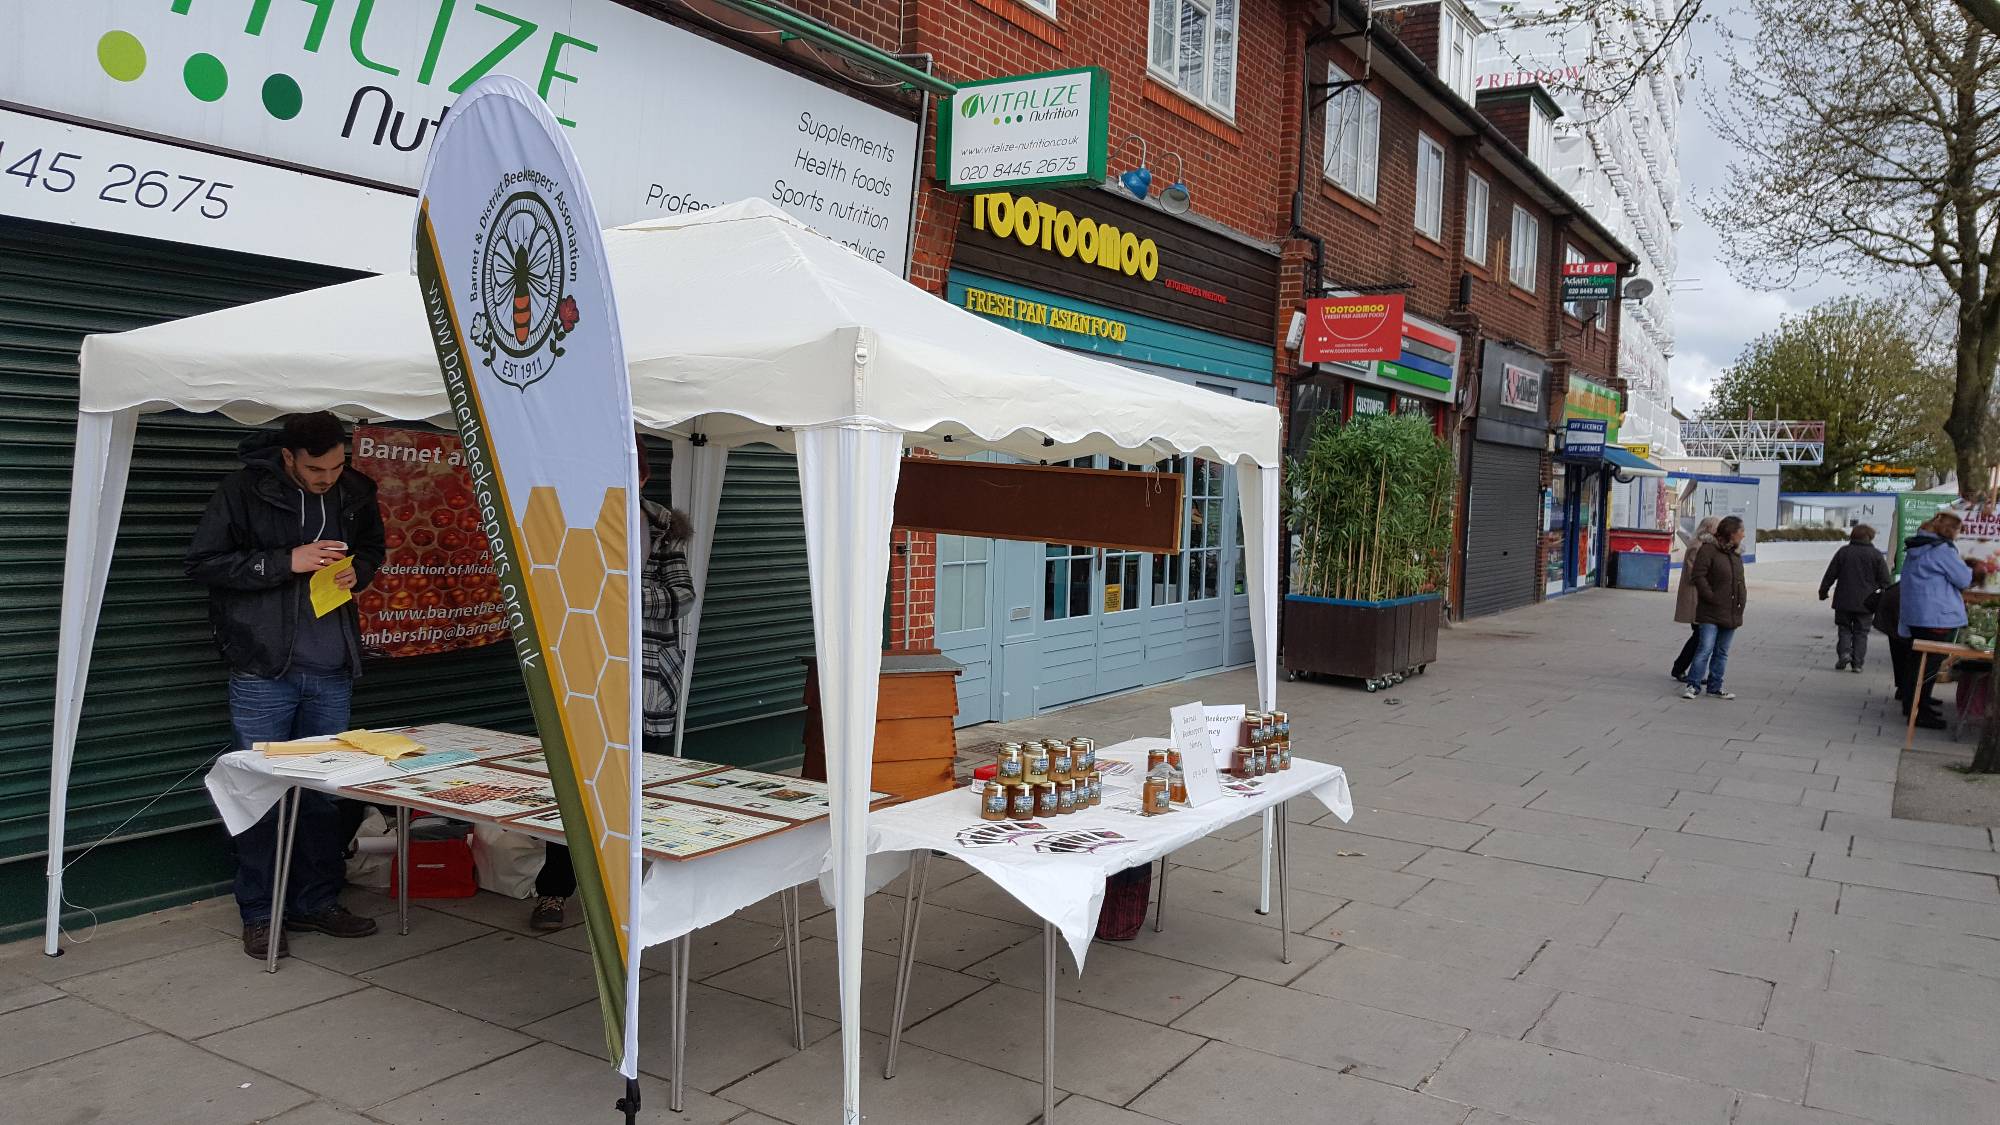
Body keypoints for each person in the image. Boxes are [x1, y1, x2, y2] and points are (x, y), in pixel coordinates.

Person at [186, 412, 386, 959]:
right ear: (288, 457)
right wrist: (285, 562)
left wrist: (360, 572)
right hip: (263, 669)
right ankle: (259, 911)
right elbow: (203, 563)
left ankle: (317, 902)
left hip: (332, 668)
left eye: (337, 466)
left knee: (322, 794)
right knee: (259, 791)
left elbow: (373, 548)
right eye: (316, 469)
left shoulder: (355, 491)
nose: (328, 478)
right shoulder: (242, 491)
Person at [531, 441, 695, 930]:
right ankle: (554, 891)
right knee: (574, 788)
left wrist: (619, 587)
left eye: (632, 477)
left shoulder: (663, 527)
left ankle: (630, 895)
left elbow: (682, 597)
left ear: (643, 479)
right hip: (585, 673)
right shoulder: (569, 516)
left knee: (641, 789)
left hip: (648, 678)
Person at [1899, 511, 1974, 730]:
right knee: (1929, 665)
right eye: (1958, 530)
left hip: (1917, 613)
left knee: (1917, 662)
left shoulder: (1917, 545)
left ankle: (1914, 704)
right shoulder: (1942, 550)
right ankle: (1919, 711)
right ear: (1950, 531)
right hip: (1938, 615)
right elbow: (1964, 579)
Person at [1683, 515, 1747, 700]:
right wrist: (1710, 596)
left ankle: (1715, 686)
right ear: (1731, 533)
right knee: (1705, 648)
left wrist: (1741, 601)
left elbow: (1739, 581)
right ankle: (1693, 685)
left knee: (1722, 651)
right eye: (1741, 531)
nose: (1743, 535)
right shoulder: (1708, 550)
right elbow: (1698, 575)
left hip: (1731, 610)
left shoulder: (1736, 554)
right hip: (1710, 610)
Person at [1820, 524, 1891, 672]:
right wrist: (1880, 597)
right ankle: (1857, 664)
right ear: (1870, 537)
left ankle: (1844, 654)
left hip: (1844, 600)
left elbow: (1831, 574)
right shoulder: (1876, 555)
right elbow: (1885, 581)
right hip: (1867, 603)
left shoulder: (1844, 552)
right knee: (1861, 633)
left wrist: (1823, 591)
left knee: (1844, 628)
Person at [1670, 517, 1721, 679]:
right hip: (1695, 598)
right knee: (1700, 636)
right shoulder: (1697, 546)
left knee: (1699, 636)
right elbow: (1694, 574)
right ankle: (1681, 668)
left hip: (1699, 596)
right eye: (1717, 527)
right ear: (1708, 528)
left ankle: (1684, 669)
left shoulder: (1704, 545)